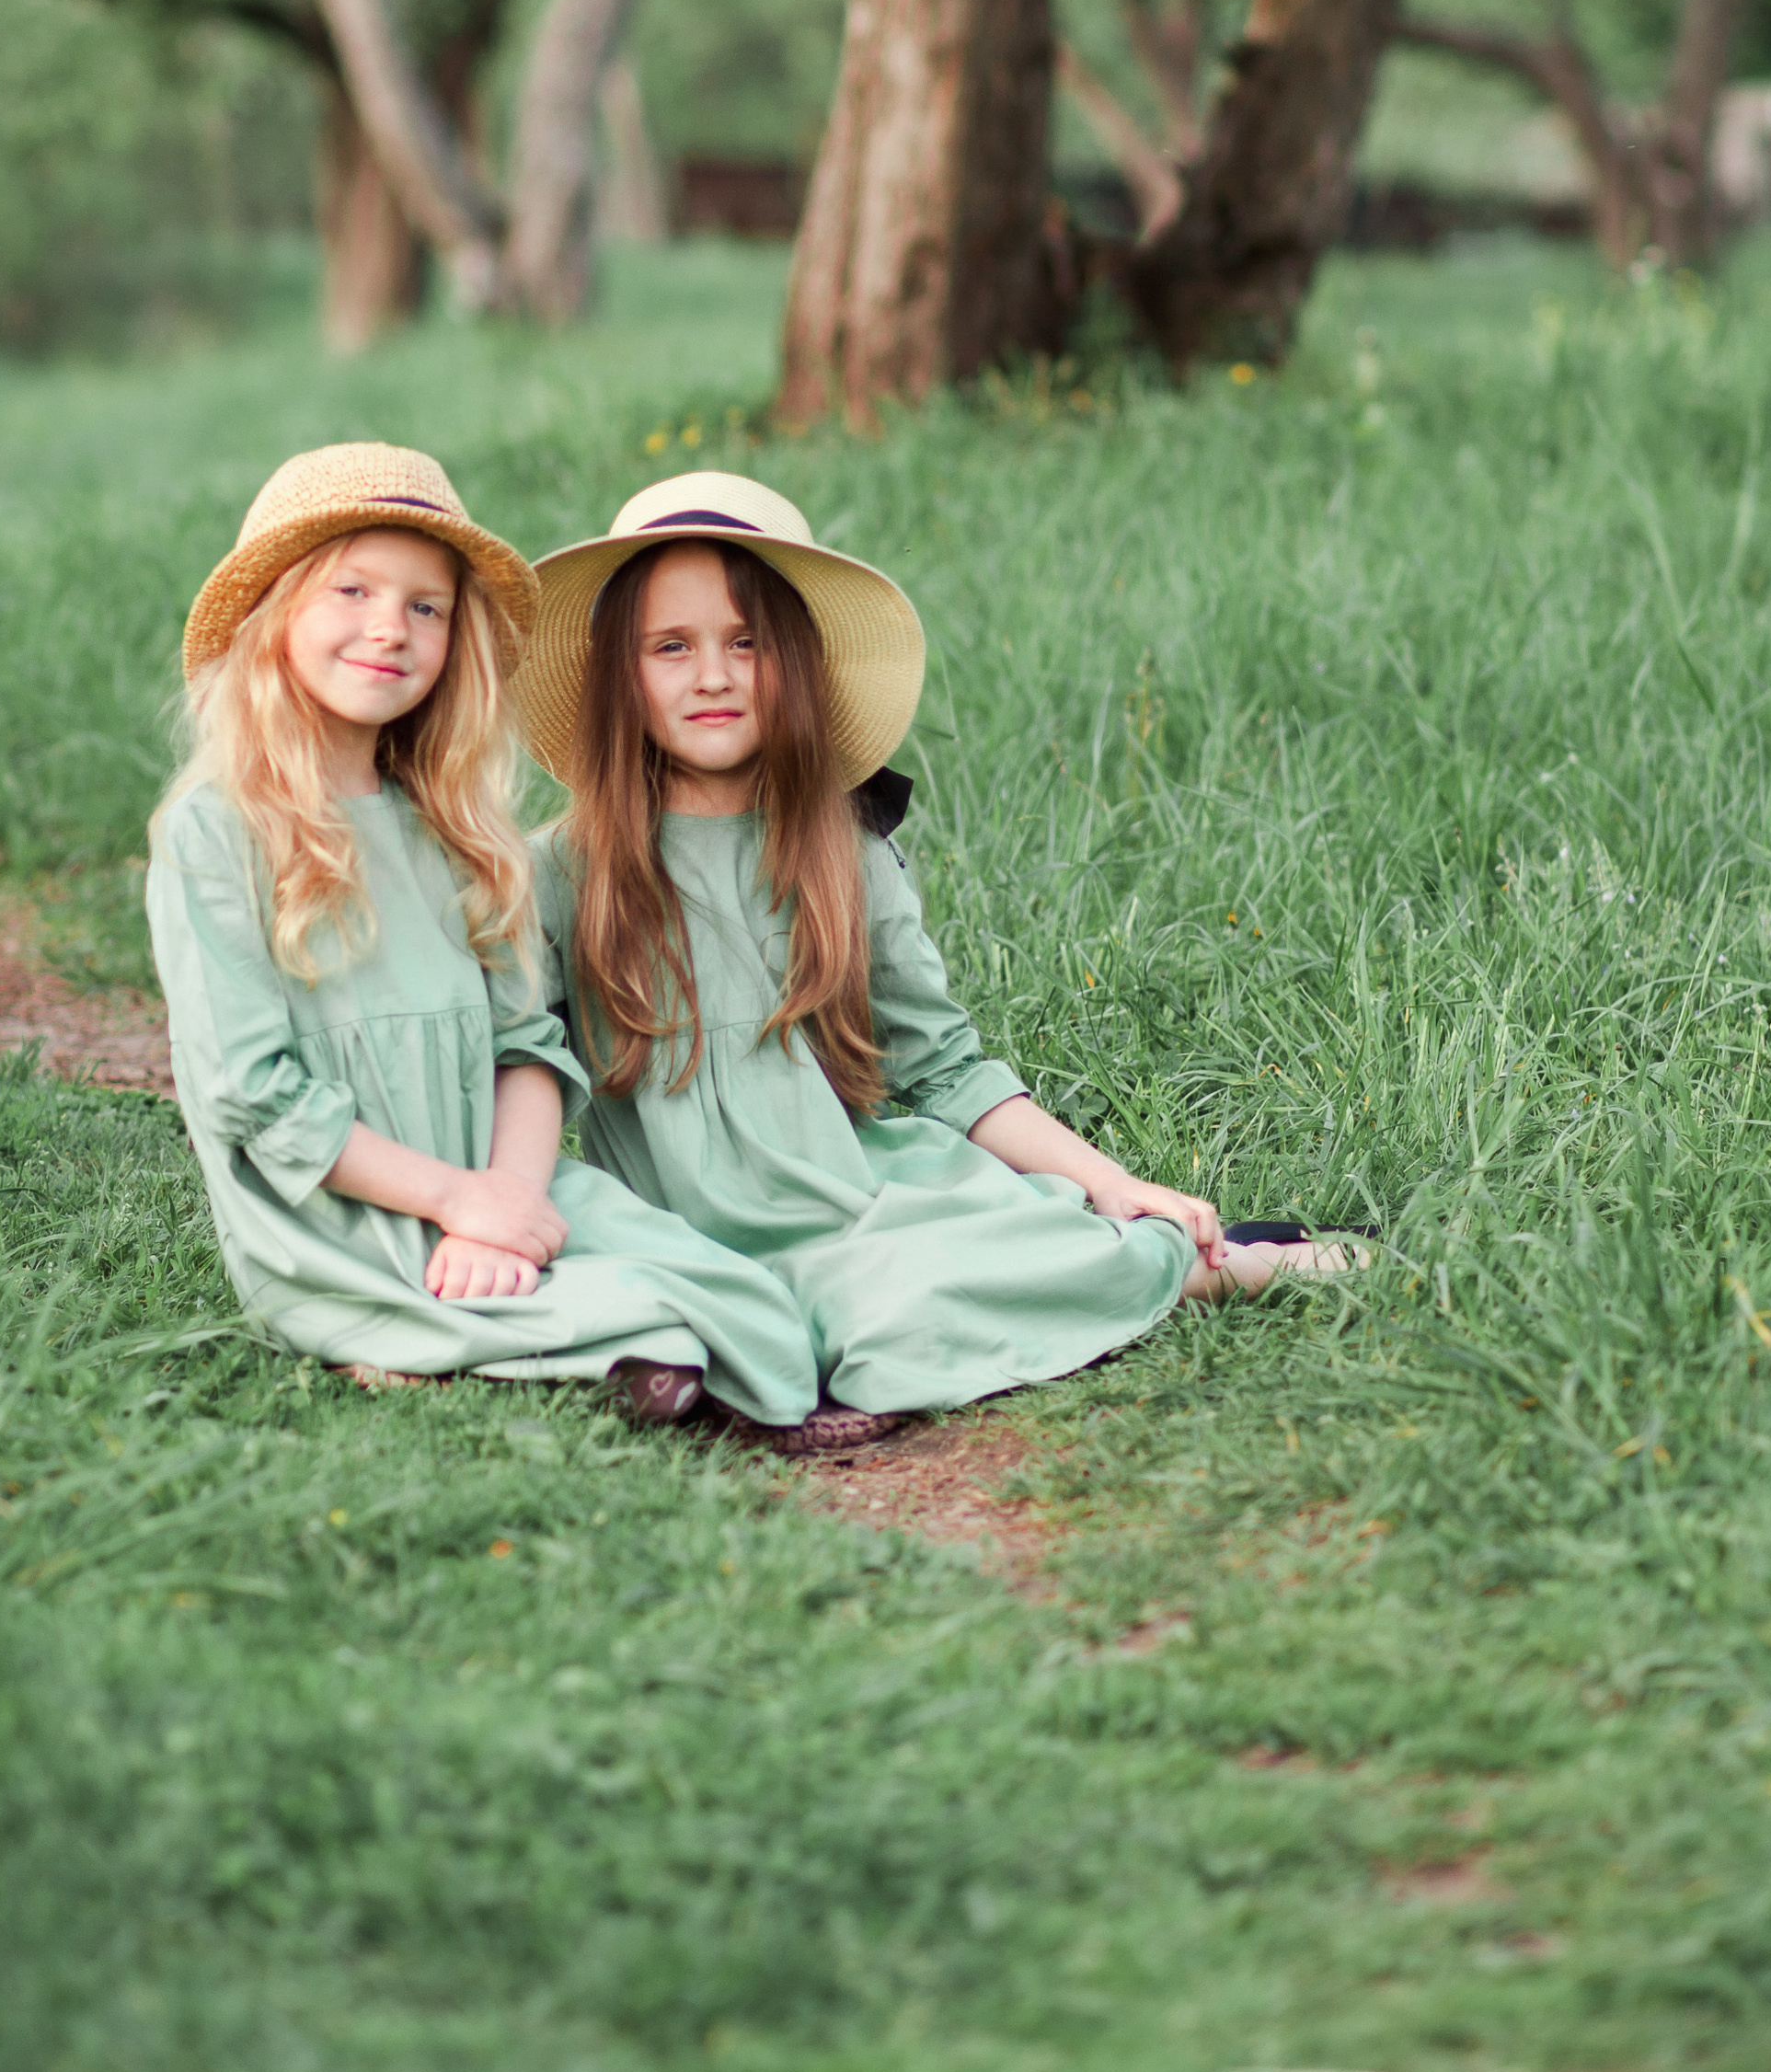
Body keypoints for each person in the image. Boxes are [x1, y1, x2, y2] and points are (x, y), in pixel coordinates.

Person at [518, 472, 1355, 1443]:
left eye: (747, 643)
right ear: (619, 678)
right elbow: (514, 1061)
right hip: (677, 1229)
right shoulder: (559, 871)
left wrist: (1111, 1182)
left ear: (796, 665)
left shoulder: (840, 853)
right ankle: (726, 1338)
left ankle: (1217, 1261)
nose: (713, 676)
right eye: (672, 646)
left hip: (856, 1216)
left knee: (915, 1292)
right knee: (644, 1280)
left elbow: (945, 1067)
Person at [146, 442, 821, 1433]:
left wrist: (504, 1197)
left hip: (497, 1178)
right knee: (666, 1330)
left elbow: (527, 1047)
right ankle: (456, 1339)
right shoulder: (217, 830)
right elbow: (251, 1093)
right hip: (341, 1215)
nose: (392, 627)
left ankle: (555, 1336)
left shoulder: (456, 828)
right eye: (353, 590)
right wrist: (455, 1204)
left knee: (741, 1296)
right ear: (276, 612)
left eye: (427, 607)